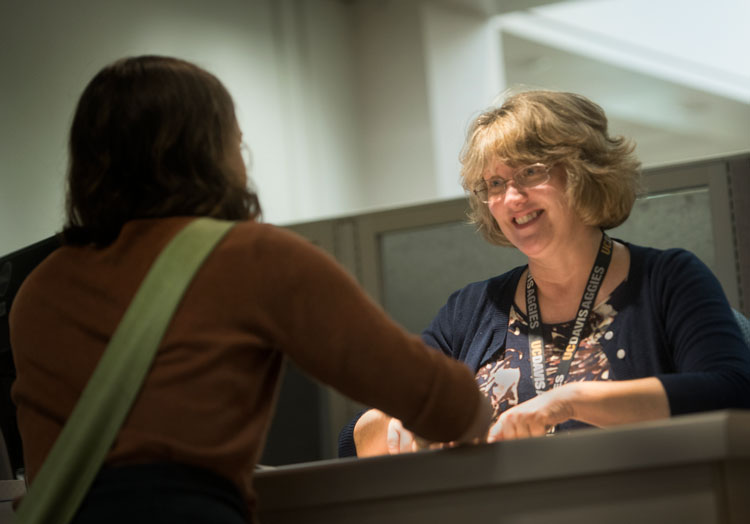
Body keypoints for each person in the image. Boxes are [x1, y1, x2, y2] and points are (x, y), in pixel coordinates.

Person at [9, 55, 492, 523]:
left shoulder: (39, 289)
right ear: (211, 155)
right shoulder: (248, 258)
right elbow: (444, 405)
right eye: (236, 145)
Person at [339, 89, 750, 457]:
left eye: (531, 172)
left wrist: (569, 401)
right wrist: (399, 420)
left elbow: (732, 391)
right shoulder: (471, 310)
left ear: (584, 171)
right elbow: (350, 441)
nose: (511, 198)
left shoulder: (667, 280)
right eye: (494, 183)